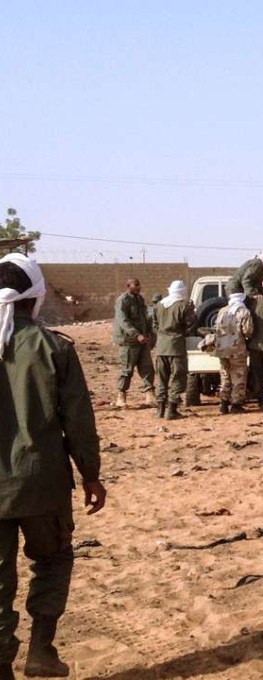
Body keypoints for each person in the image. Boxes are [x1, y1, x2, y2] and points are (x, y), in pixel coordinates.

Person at [0, 254, 107, 679]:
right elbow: (78, 421)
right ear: (36, 296)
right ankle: (41, 650)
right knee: (54, 559)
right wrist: (91, 475)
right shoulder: (55, 347)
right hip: (42, 484)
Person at [152, 280, 195, 420]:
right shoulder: (183, 306)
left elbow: (154, 325)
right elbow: (191, 324)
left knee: (162, 380)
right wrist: (192, 311)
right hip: (176, 348)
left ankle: (160, 410)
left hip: (161, 348)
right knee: (178, 378)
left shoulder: (159, 305)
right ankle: (171, 410)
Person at [112, 277, 155, 408]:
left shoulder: (139, 299)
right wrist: (136, 335)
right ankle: (121, 395)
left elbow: (145, 317)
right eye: (135, 285)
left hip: (142, 340)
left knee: (147, 368)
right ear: (128, 286)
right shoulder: (123, 301)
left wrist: (149, 333)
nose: (138, 287)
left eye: (139, 285)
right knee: (127, 369)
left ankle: (150, 394)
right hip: (128, 341)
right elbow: (123, 321)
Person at [213, 292, 254, 414]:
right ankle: (236, 404)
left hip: (222, 349)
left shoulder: (222, 311)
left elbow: (216, 328)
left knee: (225, 375)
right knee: (238, 376)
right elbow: (247, 331)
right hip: (237, 349)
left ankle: (223, 404)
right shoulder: (244, 312)